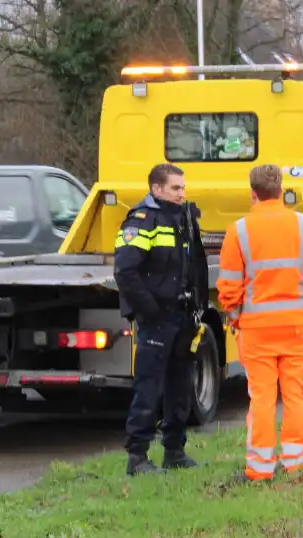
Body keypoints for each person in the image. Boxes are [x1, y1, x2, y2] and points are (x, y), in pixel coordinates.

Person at [215, 164, 303, 481]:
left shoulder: (238, 231)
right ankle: (296, 463)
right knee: (296, 394)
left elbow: (228, 285)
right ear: (281, 191)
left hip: (255, 330)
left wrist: (236, 317)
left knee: (262, 398)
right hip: (295, 326)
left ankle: (260, 468)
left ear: (253, 193)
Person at [113, 163, 209, 476]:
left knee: (180, 385)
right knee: (149, 387)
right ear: (157, 189)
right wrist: (149, 309)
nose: (182, 193)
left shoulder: (183, 218)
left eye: (183, 187)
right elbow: (125, 271)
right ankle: (137, 457)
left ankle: (174, 451)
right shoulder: (143, 220)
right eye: (175, 188)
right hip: (157, 318)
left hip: (182, 315)